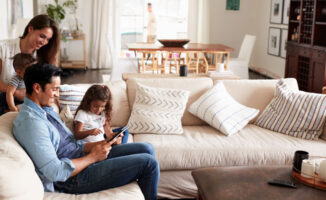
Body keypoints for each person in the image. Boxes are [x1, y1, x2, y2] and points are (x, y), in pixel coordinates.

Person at [13, 63, 160, 200]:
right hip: (72, 177)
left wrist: (102, 143)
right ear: (37, 88)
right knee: (149, 163)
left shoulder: (46, 110)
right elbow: (54, 172)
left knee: (146, 148)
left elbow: (71, 143)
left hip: (82, 157)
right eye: (54, 89)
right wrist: (93, 157)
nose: (57, 94)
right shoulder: (31, 123)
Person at [0, 14, 59, 101]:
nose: (44, 42)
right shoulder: (3, 48)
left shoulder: (44, 56)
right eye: (42, 36)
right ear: (30, 29)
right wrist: (16, 93)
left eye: (48, 39)